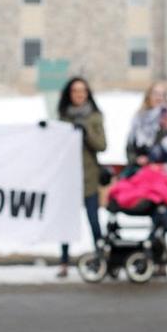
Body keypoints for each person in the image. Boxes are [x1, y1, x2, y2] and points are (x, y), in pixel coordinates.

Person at [56, 77, 107, 279]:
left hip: (89, 177)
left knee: (94, 220)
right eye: (76, 91)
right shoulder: (62, 118)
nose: (79, 95)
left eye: (83, 91)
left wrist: (86, 133)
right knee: (66, 221)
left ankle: (100, 257)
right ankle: (63, 260)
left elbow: (102, 145)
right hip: (68, 176)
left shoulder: (94, 117)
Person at [126, 82, 167, 175]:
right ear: (148, 96)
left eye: (162, 94)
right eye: (156, 94)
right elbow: (129, 148)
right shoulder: (139, 118)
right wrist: (136, 160)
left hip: (165, 170)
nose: (159, 97)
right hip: (141, 169)